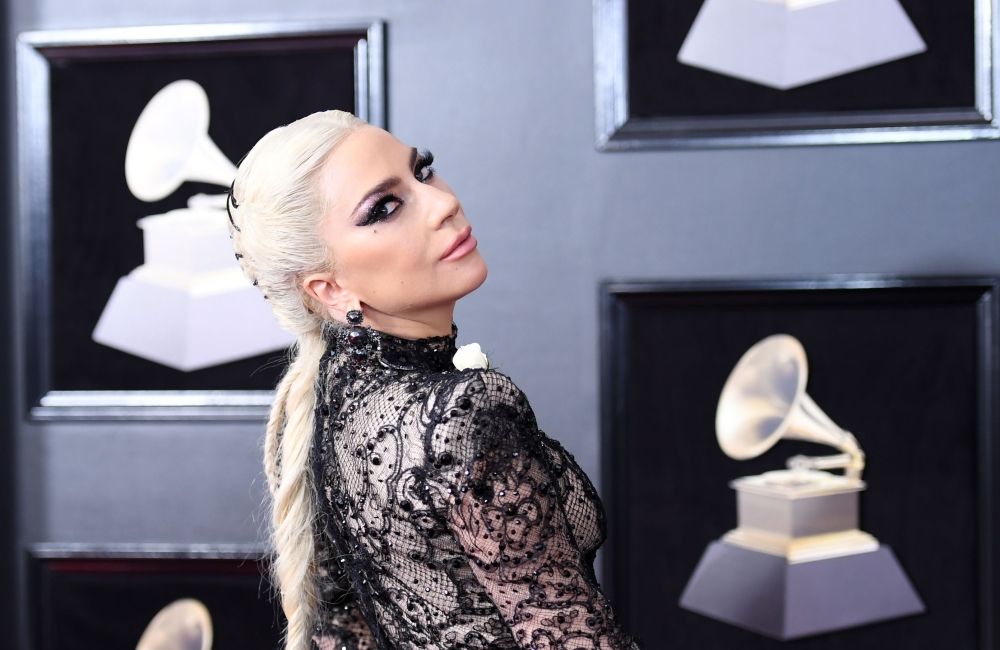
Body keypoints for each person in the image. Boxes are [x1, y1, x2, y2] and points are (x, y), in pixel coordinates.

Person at [228, 110, 641, 650]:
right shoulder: (463, 415)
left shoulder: (315, 403)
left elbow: (343, 638)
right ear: (329, 289)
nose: (445, 203)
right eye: (386, 207)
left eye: (422, 172)